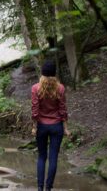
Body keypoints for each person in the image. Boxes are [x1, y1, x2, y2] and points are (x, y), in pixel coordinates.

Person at [31, 60, 70, 191]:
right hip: (56, 127)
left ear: (42, 73)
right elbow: (63, 109)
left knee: (42, 157)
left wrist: (34, 126)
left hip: (41, 126)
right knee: (53, 157)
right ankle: (49, 188)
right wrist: (65, 127)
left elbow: (35, 110)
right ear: (54, 74)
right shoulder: (61, 88)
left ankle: (40, 188)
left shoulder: (35, 88)